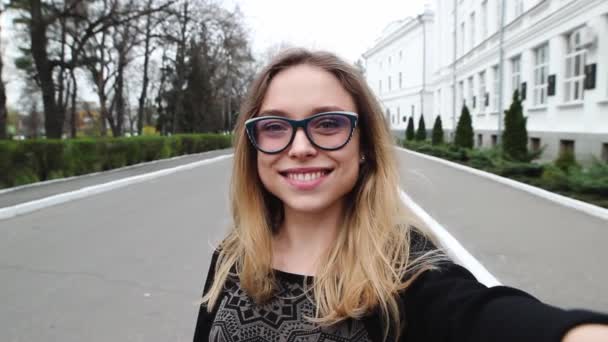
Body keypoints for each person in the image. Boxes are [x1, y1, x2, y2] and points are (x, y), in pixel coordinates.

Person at [193, 48, 608, 342]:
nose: (300, 147)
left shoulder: (406, 271)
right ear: (253, 147)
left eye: (329, 124)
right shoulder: (234, 255)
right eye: (275, 127)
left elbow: (483, 317)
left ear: (366, 147)